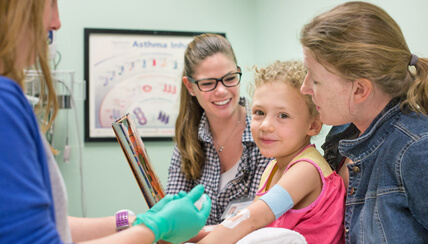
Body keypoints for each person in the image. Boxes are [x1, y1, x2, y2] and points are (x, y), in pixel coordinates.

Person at [0, 0, 211, 243]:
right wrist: (155, 227)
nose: (56, 23)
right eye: (49, 4)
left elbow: (47, 224)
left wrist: (133, 222)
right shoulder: (5, 100)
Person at [300, 1, 428, 243]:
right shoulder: (342, 132)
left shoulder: (417, 150)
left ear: (359, 90)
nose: (304, 87)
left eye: (315, 80)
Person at [199, 61, 346, 244]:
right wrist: (192, 234)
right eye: (259, 112)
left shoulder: (305, 170)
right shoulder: (273, 168)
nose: (265, 125)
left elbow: (252, 220)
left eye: (283, 115)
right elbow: (241, 222)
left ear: (313, 125)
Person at [167, 33, 271, 227]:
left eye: (229, 78)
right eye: (208, 83)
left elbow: (259, 222)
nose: (222, 90)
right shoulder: (187, 141)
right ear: (190, 86)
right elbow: (174, 219)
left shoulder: (265, 133)